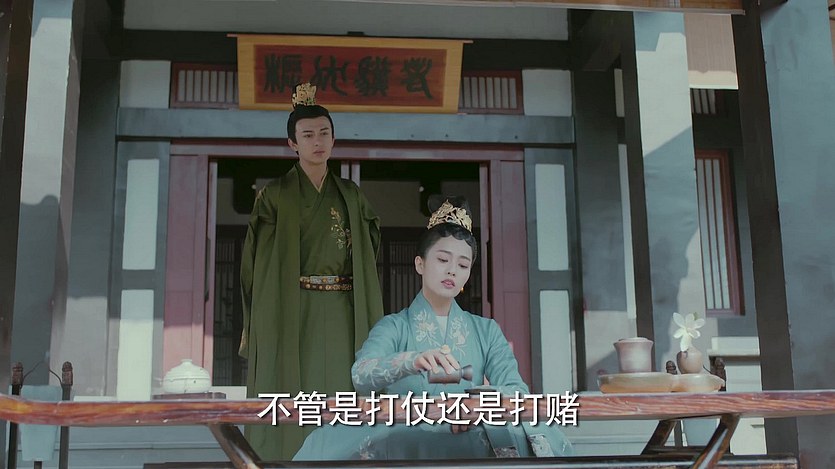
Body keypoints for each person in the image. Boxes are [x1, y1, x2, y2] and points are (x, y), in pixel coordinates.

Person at [293, 196, 573, 461]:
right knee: (335, 439)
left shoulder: (486, 330)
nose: (452, 270)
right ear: (420, 264)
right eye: (442, 260)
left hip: (467, 430)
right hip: (407, 431)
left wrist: (475, 404)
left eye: (463, 265)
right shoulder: (394, 326)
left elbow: (516, 390)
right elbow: (361, 375)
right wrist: (410, 360)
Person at [239, 83, 384, 460]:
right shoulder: (274, 195)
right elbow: (258, 263)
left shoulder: (350, 195)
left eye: (324, 133)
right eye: (307, 135)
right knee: (293, 393)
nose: (317, 142)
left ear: (334, 139)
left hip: (343, 309)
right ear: (292, 143)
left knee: (343, 392)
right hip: (292, 308)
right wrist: (263, 319)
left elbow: (369, 248)